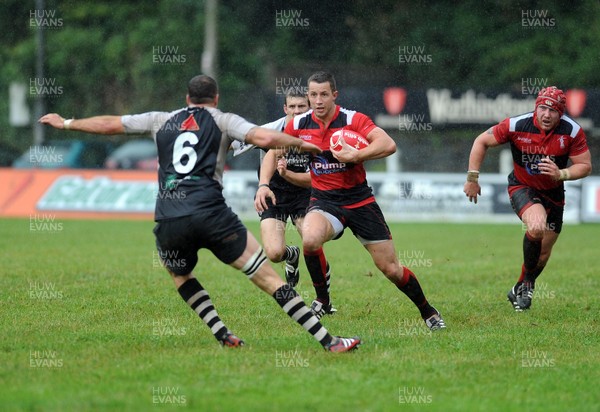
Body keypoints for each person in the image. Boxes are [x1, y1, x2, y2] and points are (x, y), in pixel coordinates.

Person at [39, 74, 361, 352]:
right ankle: (329, 342)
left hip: (169, 218)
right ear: (215, 98)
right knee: (266, 277)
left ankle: (222, 333)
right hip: (211, 215)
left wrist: (66, 123)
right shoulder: (223, 119)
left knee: (180, 275)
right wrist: (309, 145)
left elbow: (112, 124)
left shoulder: (160, 119)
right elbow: (263, 137)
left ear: (187, 98)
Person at [284, 71, 446, 330]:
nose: (318, 100)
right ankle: (323, 300)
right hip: (324, 201)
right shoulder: (298, 124)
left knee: (391, 269)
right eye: (313, 94)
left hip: (360, 202)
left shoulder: (353, 119)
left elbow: (388, 144)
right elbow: (273, 147)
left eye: (324, 94)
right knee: (310, 238)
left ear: (334, 95)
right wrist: (263, 184)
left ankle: (428, 311)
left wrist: (356, 154)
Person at [463, 86, 592, 311]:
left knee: (542, 254)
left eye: (552, 111)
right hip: (522, 187)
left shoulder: (571, 132)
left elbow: (585, 166)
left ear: (560, 113)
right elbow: (480, 141)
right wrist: (473, 178)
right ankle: (527, 286)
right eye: (542, 108)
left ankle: (521, 287)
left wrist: (561, 174)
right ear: (536, 108)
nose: (546, 115)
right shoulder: (515, 125)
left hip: (554, 193)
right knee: (536, 225)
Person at [253, 91, 313, 288]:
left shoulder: (317, 132)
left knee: (313, 242)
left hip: (303, 195)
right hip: (274, 194)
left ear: (309, 108)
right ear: (285, 109)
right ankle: (291, 254)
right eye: (292, 107)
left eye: (301, 106)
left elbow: (318, 177)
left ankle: (324, 299)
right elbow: (234, 142)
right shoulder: (270, 131)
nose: (297, 111)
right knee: (274, 253)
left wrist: (288, 174)